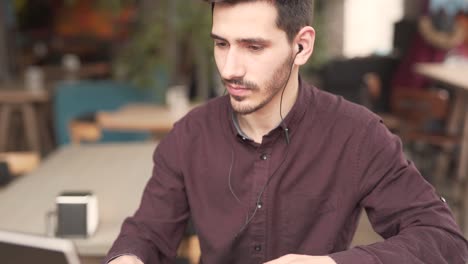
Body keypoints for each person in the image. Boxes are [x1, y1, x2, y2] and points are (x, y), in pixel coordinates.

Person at [106, 1, 468, 263]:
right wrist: (129, 258)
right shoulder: (188, 136)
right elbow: (147, 233)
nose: (230, 68)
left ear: (302, 46)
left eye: (253, 46)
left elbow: (444, 240)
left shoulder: (357, 135)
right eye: (221, 44)